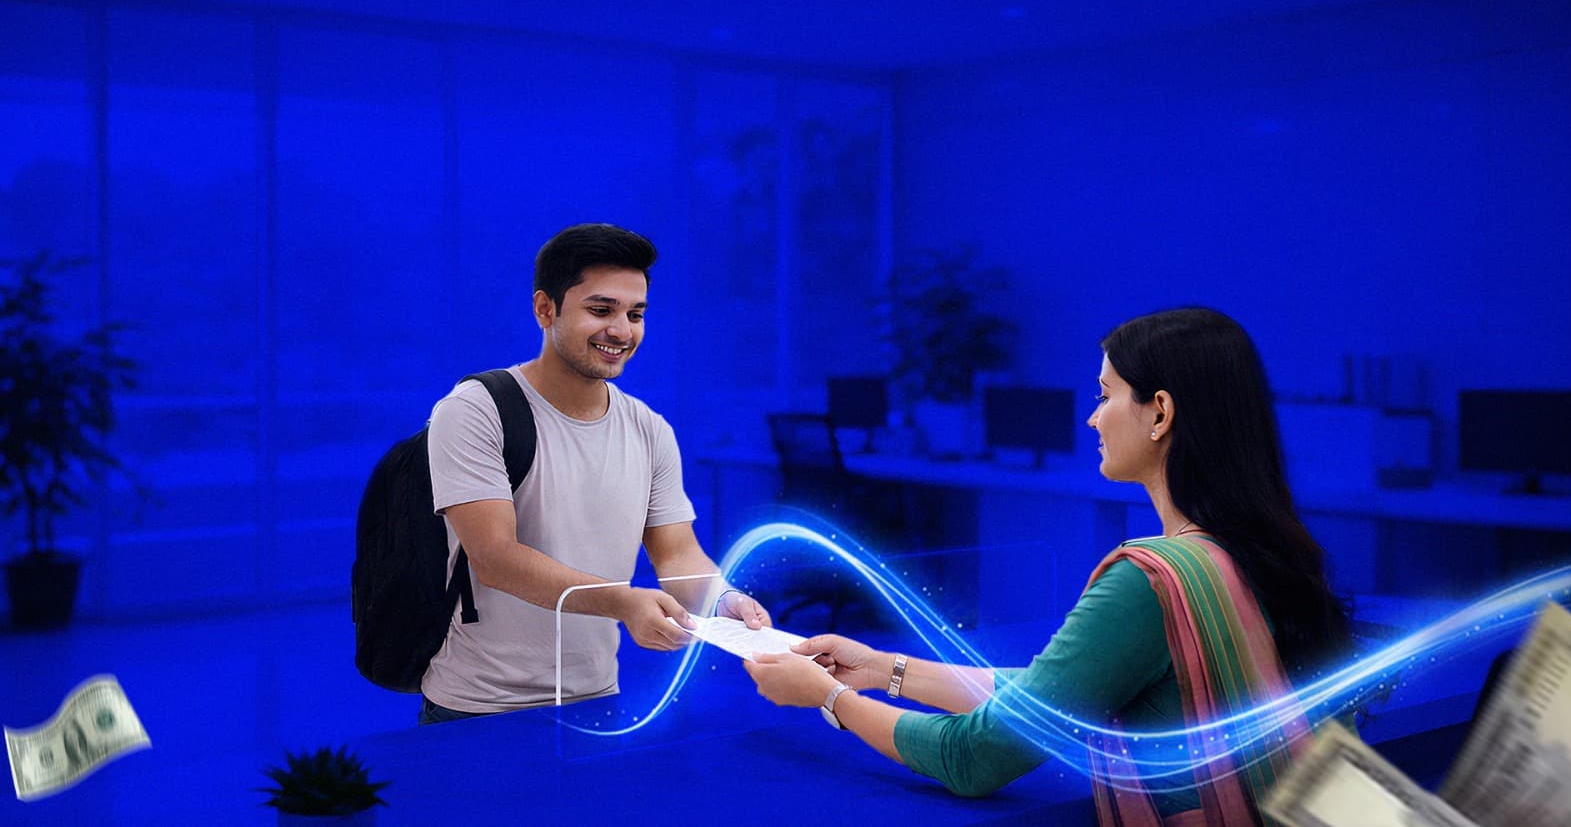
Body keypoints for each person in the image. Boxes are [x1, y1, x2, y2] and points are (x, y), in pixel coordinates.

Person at [744, 307, 1352, 825]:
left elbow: (974, 758)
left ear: (1160, 413)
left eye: (1106, 395)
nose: (1093, 417)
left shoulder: (1150, 582)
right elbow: (1058, 694)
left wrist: (829, 699)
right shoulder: (1254, 554)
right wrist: (882, 669)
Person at [422, 222, 769, 723]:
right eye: (601, 310)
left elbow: (677, 553)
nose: (622, 331)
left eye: (635, 314)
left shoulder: (649, 429)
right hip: (479, 707)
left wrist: (722, 601)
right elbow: (495, 558)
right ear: (545, 309)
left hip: (598, 698)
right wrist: (624, 603)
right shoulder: (476, 410)